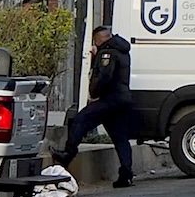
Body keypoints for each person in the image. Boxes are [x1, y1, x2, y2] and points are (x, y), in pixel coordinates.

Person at [50, 26, 135, 188]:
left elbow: (104, 76)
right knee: (121, 139)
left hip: (109, 99)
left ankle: (67, 154)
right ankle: (126, 174)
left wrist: (94, 93)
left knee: (80, 120)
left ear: (98, 39)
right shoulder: (122, 50)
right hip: (122, 99)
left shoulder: (107, 53)